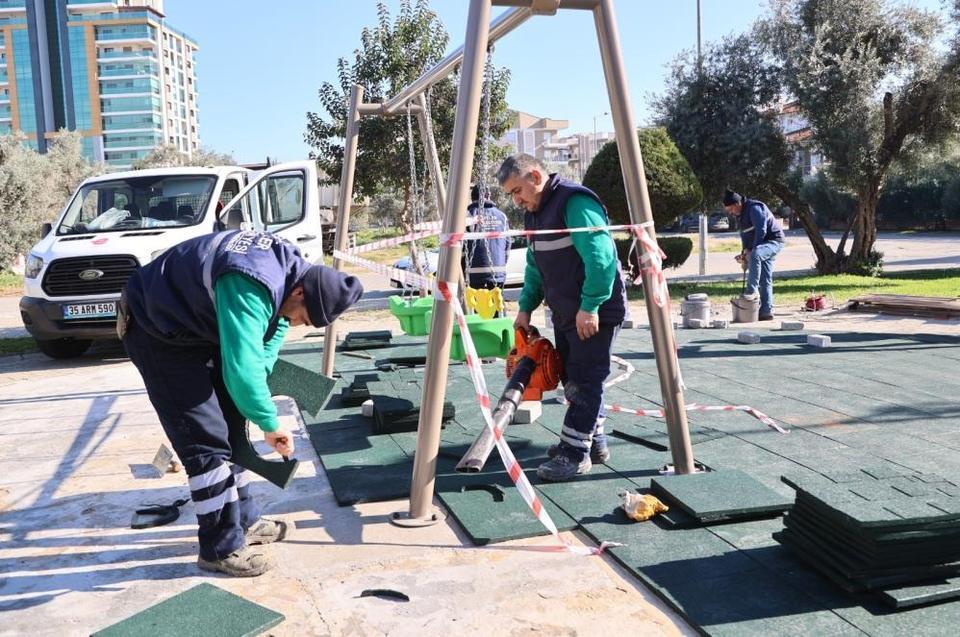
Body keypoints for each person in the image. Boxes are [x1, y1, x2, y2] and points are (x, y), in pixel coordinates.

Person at [120, 229, 363, 577]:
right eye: (303, 317)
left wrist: (255, 400)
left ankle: (244, 521)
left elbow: (270, 336)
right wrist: (270, 421)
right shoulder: (250, 282)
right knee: (204, 440)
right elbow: (243, 372)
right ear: (299, 292)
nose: (297, 324)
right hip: (154, 329)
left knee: (231, 425)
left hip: (195, 325)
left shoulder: (291, 277)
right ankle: (219, 548)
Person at [497, 154, 626, 482]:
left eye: (517, 190)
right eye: (511, 194)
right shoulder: (535, 216)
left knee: (585, 380)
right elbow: (535, 266)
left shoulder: (575, 202)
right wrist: (525, 307)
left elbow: (601, 257)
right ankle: (593, 444)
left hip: (593, 311)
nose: (516, 200)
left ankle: (574, 455)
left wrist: (591, 305)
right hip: (569, 311)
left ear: (536, 176)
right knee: (572, 380)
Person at [723, 189, 785, 321]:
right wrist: (744, 253)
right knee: (765, 278)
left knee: (756, 254)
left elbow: (761, 230)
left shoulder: (754, 208)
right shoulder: (740, 217)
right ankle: (766, 312)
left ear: (738, 203)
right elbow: (745, 237)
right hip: (762, 245)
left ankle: (751, 291)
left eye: (731, 209)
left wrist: (753, 250)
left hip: (774, 241)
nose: (731, 213)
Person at [464, 185, 510, 291]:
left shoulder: (468, 216)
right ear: (489, 197)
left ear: (472, 198)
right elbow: (508, 244)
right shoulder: (502, 216)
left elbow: (462, 246)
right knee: (497, 304)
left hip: (474, 272)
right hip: (498, 270)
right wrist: (502, 262)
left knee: (478, 306)